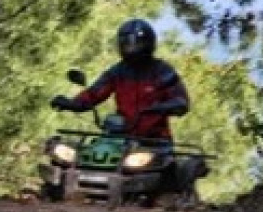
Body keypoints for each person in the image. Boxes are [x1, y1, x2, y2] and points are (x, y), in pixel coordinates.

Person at [50, 19, 189, 141]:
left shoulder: (162, 71)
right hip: (120, 136)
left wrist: (161, 108)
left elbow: (181, 100)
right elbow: (95, 93)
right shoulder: (117, 72)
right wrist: (71, 103)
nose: (131, 49)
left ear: (148, 44)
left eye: (136, 45)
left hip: (155, 139)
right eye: (126, 45)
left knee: (166, 166)